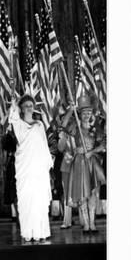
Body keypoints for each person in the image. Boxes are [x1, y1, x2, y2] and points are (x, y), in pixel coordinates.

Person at [8, 95, 53, 242]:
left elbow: (44, 145)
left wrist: (47, 163)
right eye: (26, 105)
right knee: (27, 199)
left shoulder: (39, 124)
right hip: (25, 169)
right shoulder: (19, 125)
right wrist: (13, 106)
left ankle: (41, 231)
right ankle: (28, 232)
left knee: (39, 200)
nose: (29, 107)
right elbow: (12, 118)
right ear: (21, 108)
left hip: (39, 169)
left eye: (31, 105)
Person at [62, 95, 106, 233]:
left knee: (93, 193)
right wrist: (71, 110)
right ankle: (86, 224)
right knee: (81, 194)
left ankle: (92, 224)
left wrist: (92, 152)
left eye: (89, 112)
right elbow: (63, 126)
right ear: (79, 115)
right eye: (84, 112)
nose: (87, 115)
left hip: (92, 162)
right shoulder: (75, 129)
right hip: (79, 163)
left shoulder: (96, 129)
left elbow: (104, 145)